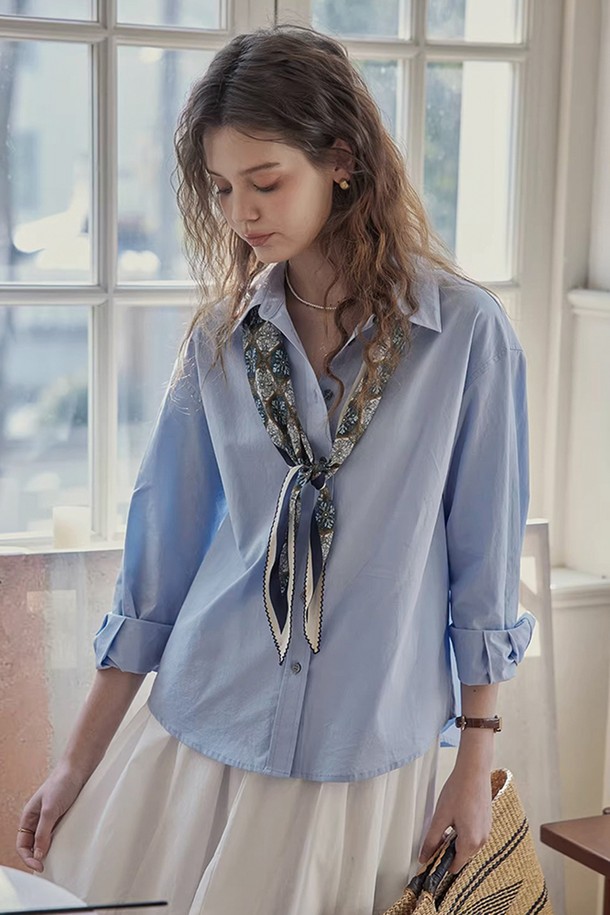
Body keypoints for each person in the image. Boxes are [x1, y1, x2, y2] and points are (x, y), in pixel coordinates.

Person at [16, 24, 534, 915]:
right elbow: (156, 575)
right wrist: (73, 763)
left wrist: (474, 759)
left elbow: (482, 571)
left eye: (265, 182)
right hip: (204, 728)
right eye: (221, 189)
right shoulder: (220, 344)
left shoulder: (464, 339)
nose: (241, 213)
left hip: (367, 751)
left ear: (342, 161)